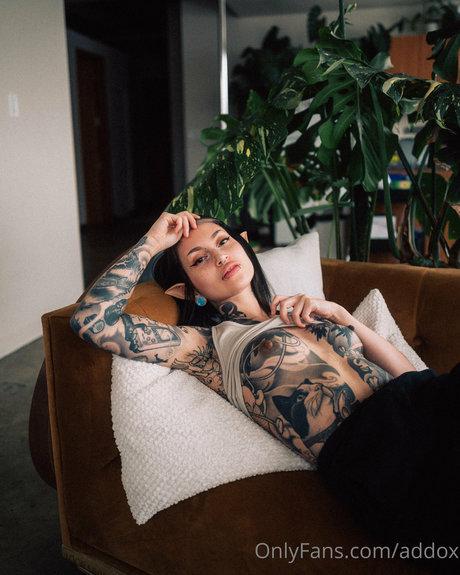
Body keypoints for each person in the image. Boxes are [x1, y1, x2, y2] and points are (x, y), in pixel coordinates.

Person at [71, 210, 459, 574]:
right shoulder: (208, 347)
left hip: (427, 401)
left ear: (244, 245)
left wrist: (341, 315)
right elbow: (92, 321)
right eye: (200, 259)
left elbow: (412, 377)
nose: (220, 256)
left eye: (223, 241)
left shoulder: (300, 306)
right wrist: (153, 241)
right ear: (188, 291)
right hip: (378, 456)